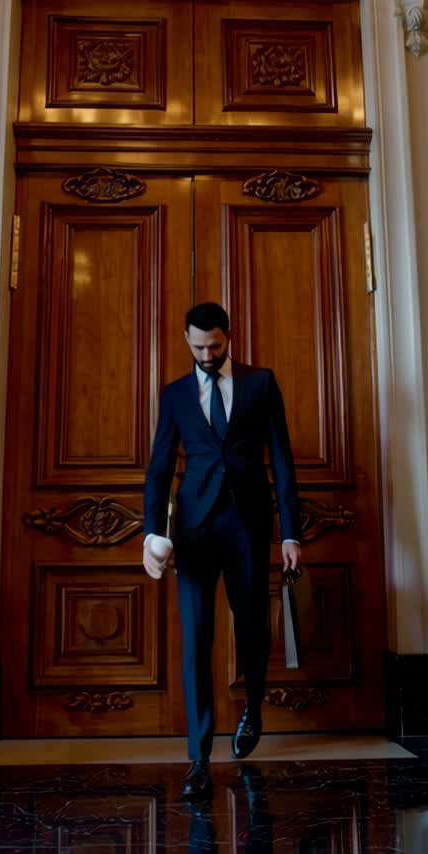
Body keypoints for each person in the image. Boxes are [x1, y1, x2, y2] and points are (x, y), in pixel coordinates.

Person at [143, 301, 301, 801]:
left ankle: (254, 706)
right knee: (196, 639)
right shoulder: (174, 395)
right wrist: (151, 534)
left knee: (253, 628)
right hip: (193, 529)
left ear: (228, 337)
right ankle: (198, 758)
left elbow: (282, 459)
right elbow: (159, 469)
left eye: (214, 346)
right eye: (197, 347)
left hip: (248, 525)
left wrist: (291, 533)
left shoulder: (261, 383)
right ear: (187, 340)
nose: (207, 354)